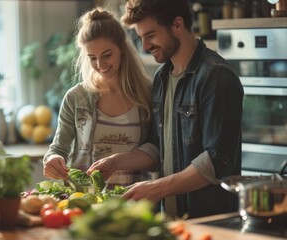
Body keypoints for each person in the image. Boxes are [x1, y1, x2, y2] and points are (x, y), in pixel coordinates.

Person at [87, 0, 244, 219]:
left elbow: (216, 161)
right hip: (172, 219)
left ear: (177, 24)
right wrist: (116, 162)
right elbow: (157, 146)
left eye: (150, 35)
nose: (144, 46)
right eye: (140, 37)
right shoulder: (161, 78)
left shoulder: (216, 76)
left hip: (211, 219)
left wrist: (157, 188)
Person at [43, 7, 158, 188]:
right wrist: (53, 159)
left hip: (135, 203)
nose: (100, 64)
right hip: (84, 201)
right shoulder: (76, 98)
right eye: (92, 58)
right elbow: (58, 149)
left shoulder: (148, 94)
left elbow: (157, 153)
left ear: (122, 49)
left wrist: (118, 161)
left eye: (107, 55)